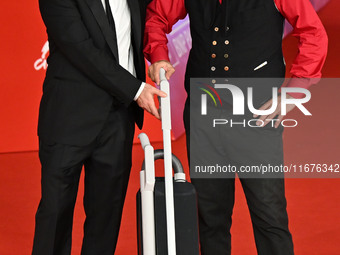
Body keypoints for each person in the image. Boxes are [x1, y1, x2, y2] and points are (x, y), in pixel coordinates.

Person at [144, 0, 328, 254]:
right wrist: (158, 56)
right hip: (202, 116)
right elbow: (156, 16)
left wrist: (293, 94)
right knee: (210, 218)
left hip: (256, 118)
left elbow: (313, 33)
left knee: (269, 217)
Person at [32, 0, 164, 254]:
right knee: (55, 216)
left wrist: (159, 57)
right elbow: (81, 49)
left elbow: (157, 19)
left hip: (118, 118)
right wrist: (135, 90)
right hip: (68, 119)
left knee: (106, 218)